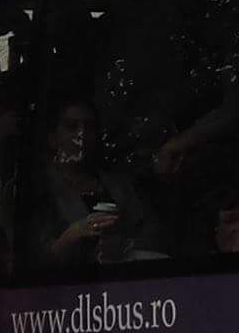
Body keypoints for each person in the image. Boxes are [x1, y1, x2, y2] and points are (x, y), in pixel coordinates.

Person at [33, 98, 160, 268]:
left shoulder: (117, 184)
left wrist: (124, 244)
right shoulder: (41, 189)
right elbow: (32, 259)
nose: (82, 135)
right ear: (53, 138)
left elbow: (151, 232)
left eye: (89, 127)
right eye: (71, 126)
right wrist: (71, 236)